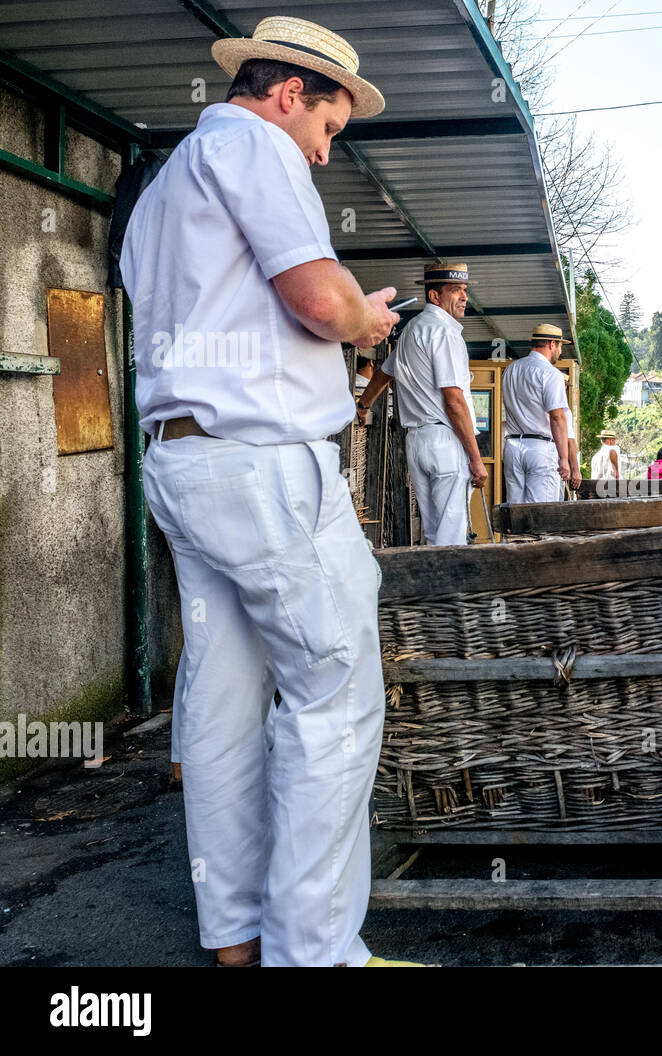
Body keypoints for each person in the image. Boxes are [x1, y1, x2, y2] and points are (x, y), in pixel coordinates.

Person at [121, 15, 404, 967]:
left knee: (225, 702)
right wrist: (364, 319)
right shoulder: (257, 145)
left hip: (182, 460)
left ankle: (235, 933)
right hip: (263, 465)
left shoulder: (163, 191)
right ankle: (313, 951)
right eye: (329, 128)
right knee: (334, 697)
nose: (325, 154)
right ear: (292, 94)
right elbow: (318, 300)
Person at [357, 263, 487, 544]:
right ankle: (450, 589)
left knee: (433, 532)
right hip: (444, 439)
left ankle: (432, 587)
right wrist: (476, 460)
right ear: (434, 297)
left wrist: (364, 405)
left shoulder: (411, 330)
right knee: (450, 535)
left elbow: (384, 372)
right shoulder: (445, 333)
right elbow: (454, 401)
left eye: (464, 290)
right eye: (455, 290)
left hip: (417, 441)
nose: (464, 296)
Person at [501, 323, 573, 504]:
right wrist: (564, 458)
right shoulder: (550, 374)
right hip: (540, 448)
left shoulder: (511, 370)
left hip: (512, 446)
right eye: (560, 346)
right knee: (541, 512)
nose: (560, 352)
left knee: (515, 510)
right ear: (551, 344)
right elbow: (557, 416)